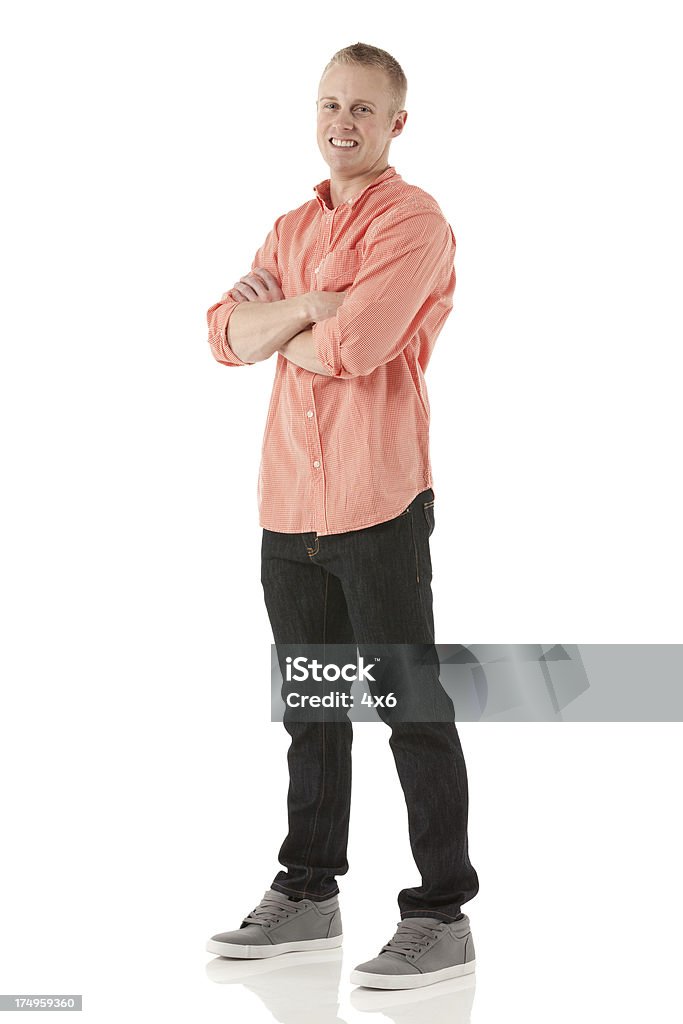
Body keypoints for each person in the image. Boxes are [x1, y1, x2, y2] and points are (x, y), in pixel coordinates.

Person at [204, 41, 479, 991]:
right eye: (329, 104)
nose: (341, 123)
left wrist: (291, 318)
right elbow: (219, 336)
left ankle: (441, 912)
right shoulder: (288, 227)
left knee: (410, 710)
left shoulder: (415, 221)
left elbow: (354, 347)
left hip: (377, 504)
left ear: (396, 123)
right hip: (290, 508)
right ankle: (308, 891)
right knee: (314, 712)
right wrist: (300, 309)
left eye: (362, 109)